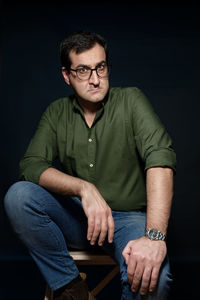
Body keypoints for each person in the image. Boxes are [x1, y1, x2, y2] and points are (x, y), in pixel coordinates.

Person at [4, 31, 176, 300]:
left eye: (101, 67)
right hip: (77, 218)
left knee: (155, 279)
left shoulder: (131, 100)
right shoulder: (56, 112)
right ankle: (72, 289)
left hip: (128, 221)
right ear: (66, 75)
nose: (95, 80)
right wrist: (84, 189)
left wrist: (154, 238)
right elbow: (31, 165)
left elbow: (160, 159)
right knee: (19, 196)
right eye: (83, 70)